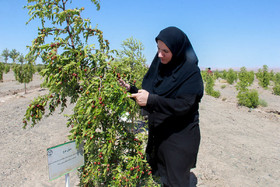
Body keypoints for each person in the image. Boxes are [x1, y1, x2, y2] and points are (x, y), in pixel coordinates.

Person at [119, 26, 204, 187]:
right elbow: (152, 95)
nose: (159, 54)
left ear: (177, 50)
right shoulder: (160, 67)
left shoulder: (191, 73)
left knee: (176, 181)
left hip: (180, 139)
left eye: (165, 51)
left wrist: (151, 100)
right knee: (160, 177)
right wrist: (131, 89)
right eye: (158, 49)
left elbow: (183, 105)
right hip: (160, 135)